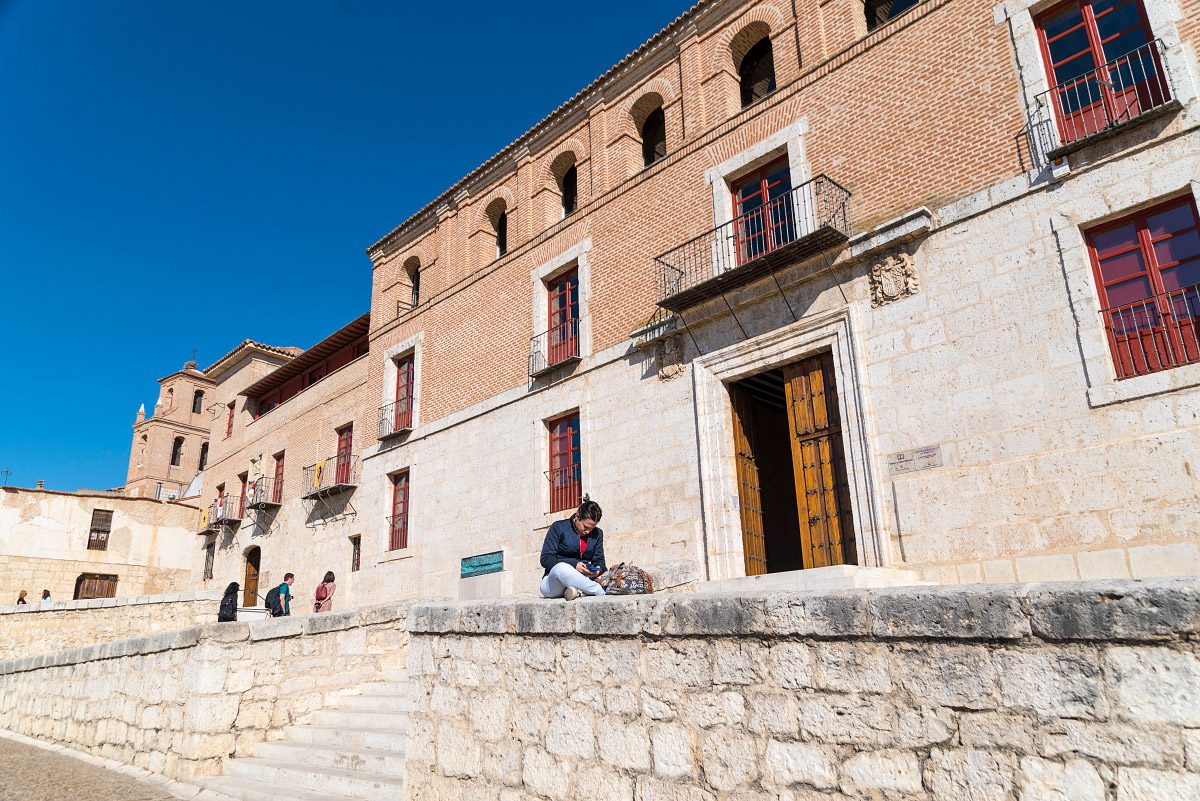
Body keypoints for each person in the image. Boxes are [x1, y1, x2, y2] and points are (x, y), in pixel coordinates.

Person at [539, 495, 607, 600]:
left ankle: (577, 591)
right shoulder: (558, 527)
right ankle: (599, 590)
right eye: (586, 527)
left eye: (592, 528)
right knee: (561, 568)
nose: (588, 531)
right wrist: (574, 565)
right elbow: (546, 559)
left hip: (581, 580)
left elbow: (600, 561)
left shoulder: (598, 533)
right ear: (577, 516)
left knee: (578, 581)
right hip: (553, 583)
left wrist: (597, 570)